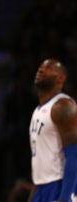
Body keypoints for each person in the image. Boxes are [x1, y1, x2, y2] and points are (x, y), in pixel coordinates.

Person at [29, 58, 77, 202]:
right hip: (42, 187)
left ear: (61, 78)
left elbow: (74, 154)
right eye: (40, 67)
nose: (41, 70)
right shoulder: (38, 110)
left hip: (59, 186)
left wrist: (64, 197)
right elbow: (41, 162)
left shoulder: (63, 106)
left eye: (49, 68)